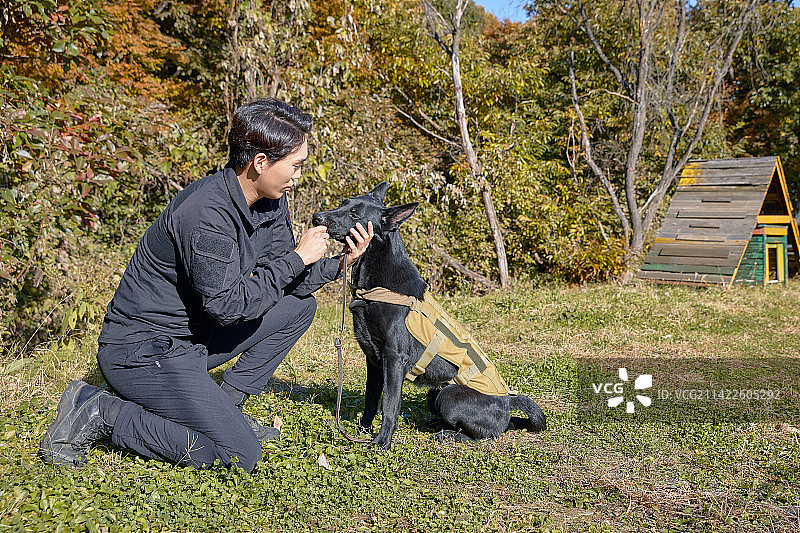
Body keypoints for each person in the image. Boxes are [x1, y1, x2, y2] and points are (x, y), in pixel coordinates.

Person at [38, 98, 373, 473]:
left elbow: (286, 283)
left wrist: (341, 264)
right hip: (142, 351)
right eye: (294, 166)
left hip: (194, 339)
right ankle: (100, 410)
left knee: (299, 307)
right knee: (238, 455)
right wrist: (297, 257)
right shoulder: (205, 215)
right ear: (260, 163)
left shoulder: (271, 201)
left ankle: (226, 406)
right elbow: (229, 308)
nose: (298, 176)